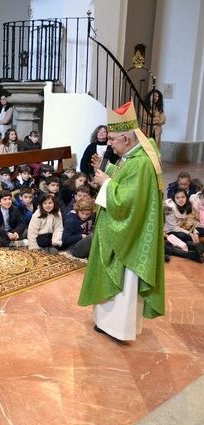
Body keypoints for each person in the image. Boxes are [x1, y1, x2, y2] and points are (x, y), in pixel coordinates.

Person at [78, 101, 165, 343]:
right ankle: (107, 322)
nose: (110, 144)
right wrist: (107, 169)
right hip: (124, 229)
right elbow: (125, 181)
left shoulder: (140, 163)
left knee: (124, 281)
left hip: (129, 236)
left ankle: (118, 327)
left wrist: (106, 181)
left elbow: (127, 200)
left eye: (113, 139)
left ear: (127, 139)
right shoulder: (133, 157)